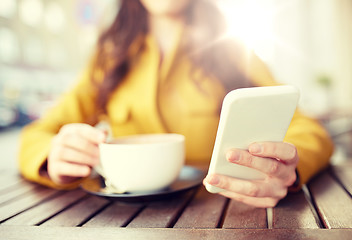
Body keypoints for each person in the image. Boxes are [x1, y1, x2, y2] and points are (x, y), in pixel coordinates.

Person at [19, 0, 333, 208]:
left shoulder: (233, 51)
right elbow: (39, 134)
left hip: (226, 216)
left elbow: (308, 130)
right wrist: (53, 155)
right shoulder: (109, 58)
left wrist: (287, 167)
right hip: (123, 223)